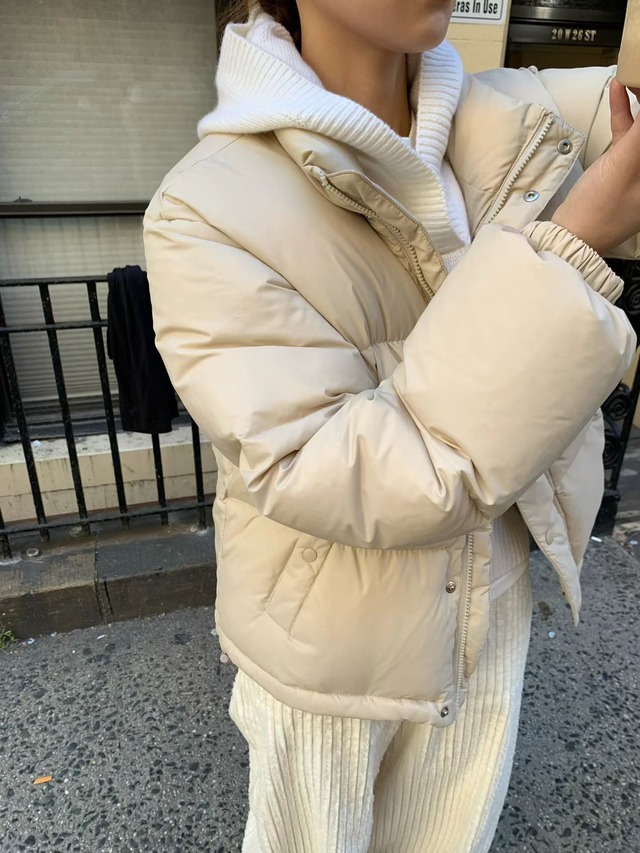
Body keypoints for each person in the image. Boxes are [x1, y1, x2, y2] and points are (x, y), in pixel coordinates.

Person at [143, 1, 640, 850]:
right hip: (330, 646)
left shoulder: (529, 114)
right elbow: (335, 466)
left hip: (492, 602)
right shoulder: (205, 208)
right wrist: (571, 245)